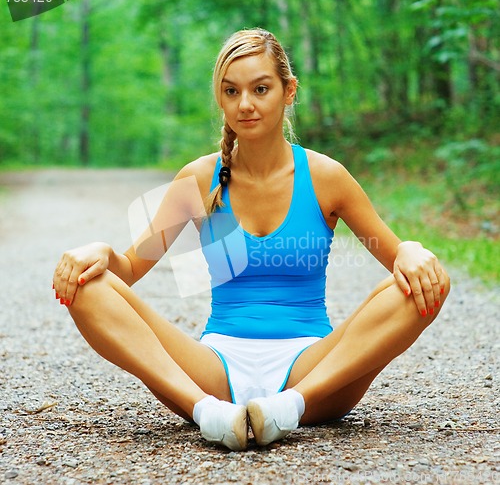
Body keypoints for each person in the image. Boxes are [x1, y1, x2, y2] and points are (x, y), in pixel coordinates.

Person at [53, 28, 450, 452]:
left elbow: (397, 261)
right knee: (86, 286)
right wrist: (100, 252)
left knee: (428, 283)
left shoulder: (326, 177)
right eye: (231, 91)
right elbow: (129, 270)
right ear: (220, 99)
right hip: (214, 371)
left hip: (311, 369)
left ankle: (288, 408)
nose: (246, 104)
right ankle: (210, 415)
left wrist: (410, 249)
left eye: (261, 89)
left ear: (288, 91)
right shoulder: (198, 179)